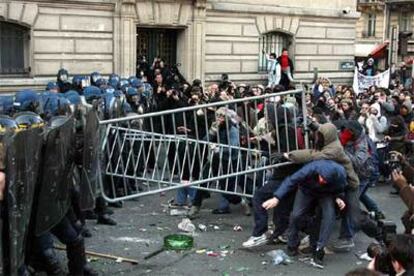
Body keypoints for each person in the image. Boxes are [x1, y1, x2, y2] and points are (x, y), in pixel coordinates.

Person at [244, 159, 347, 268]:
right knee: (296, 215)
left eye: (325, 180)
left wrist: (339, 197)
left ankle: (319, 250)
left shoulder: (340, 175)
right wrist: (277, 197)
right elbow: (291, 181)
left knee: (329, 218)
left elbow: (341, 188)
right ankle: (292, 245)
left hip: (327, 193)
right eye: (321, 177)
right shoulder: (311, 168)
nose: (322, 180)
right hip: (306, 190)